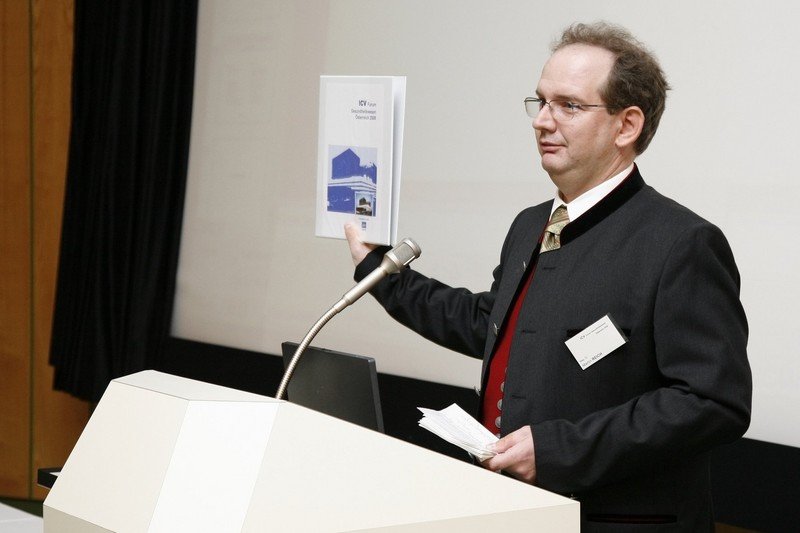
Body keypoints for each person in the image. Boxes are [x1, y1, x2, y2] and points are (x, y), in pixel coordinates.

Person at [345, 22, 751, 531]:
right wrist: (381, 271)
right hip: (512, 510)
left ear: (626, 125)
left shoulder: (681, 242)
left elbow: (711, 402)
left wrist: (559, 449)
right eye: (540, 102)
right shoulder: (531, 224)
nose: (542, 121)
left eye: (569, 105)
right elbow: (493, 324)